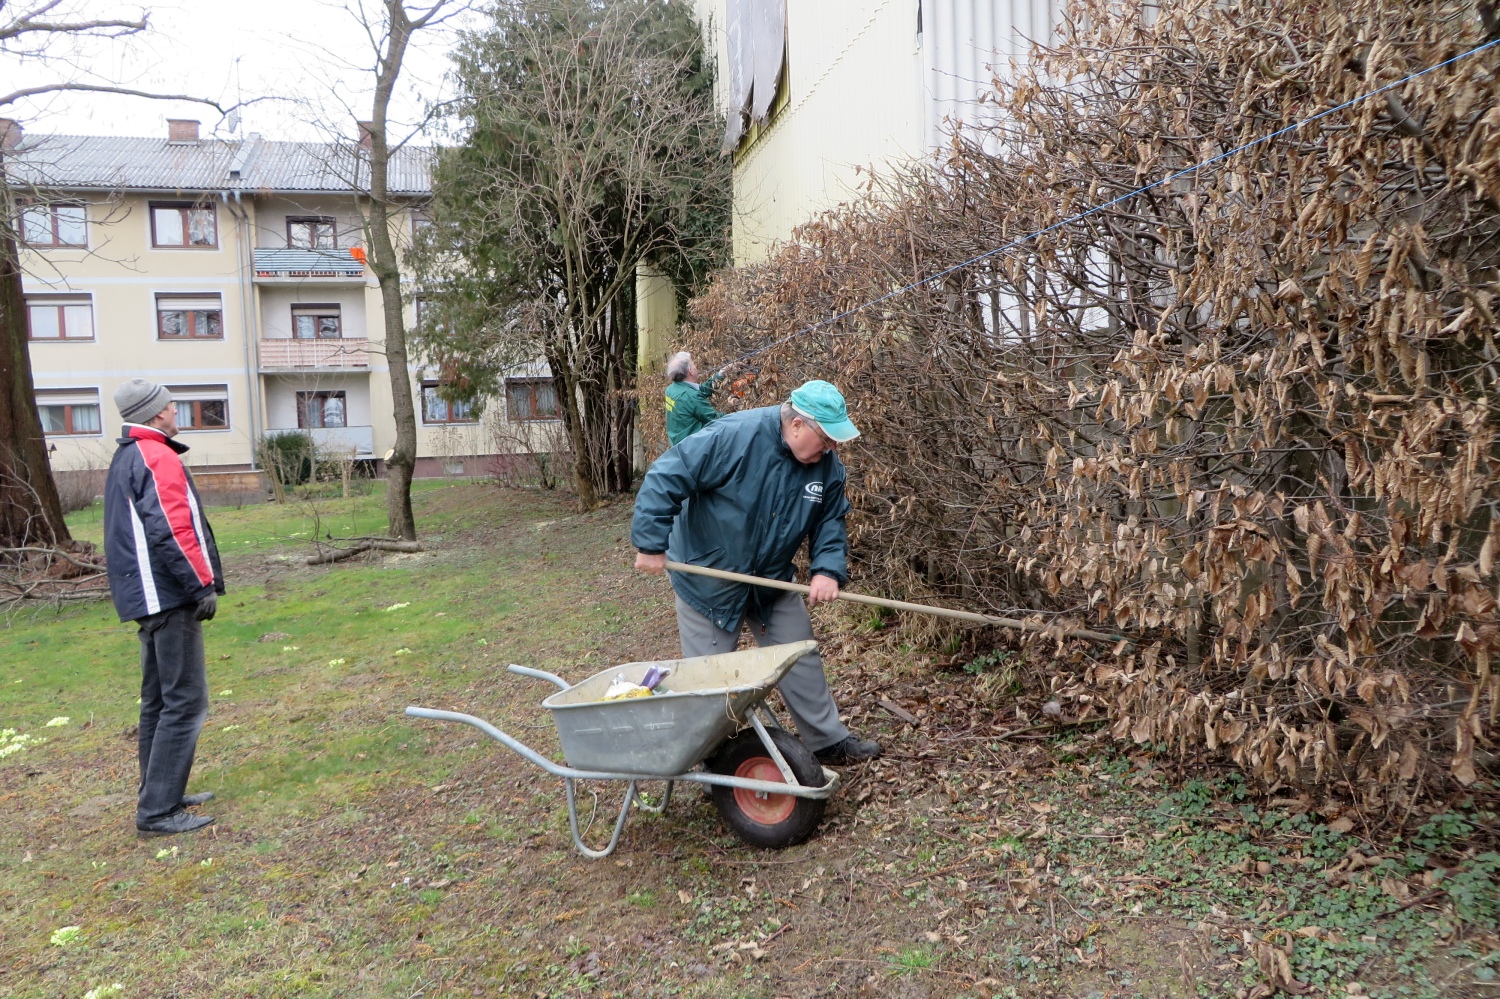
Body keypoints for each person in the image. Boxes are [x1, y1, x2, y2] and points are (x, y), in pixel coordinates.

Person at [632, 379, 881, 764]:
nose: (832, 448)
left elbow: (830, 520)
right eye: (827, 438)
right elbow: (667, 474)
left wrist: (827, 570)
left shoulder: (827, 468)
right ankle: (713, 759)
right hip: (709, 579)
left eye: (835, 440)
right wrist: (651, 543)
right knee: (711, 682)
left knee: (800, 657)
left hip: (770, 580)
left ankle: (828, 741)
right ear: (797, 425)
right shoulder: (734, 436)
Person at [103, 378, 224, 837]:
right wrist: (201, 585)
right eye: (171, 405)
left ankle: (159, 792)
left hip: (146, 595)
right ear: (156, 414)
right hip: (166, 595)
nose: (176, 411)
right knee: (186, 701)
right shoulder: (155, 455)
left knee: (157, 700)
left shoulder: (129, 454)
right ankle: (157, 812)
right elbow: (172, 529)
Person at [663, 351, 723, 446]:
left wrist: (721, 374)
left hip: (679, 444)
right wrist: (733, 406)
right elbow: (715, 420)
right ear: (690, 371)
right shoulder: (689, 396)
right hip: (694, 448)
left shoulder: (672, 389)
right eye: (693, 363)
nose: (696, 366)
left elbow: (701, 391)